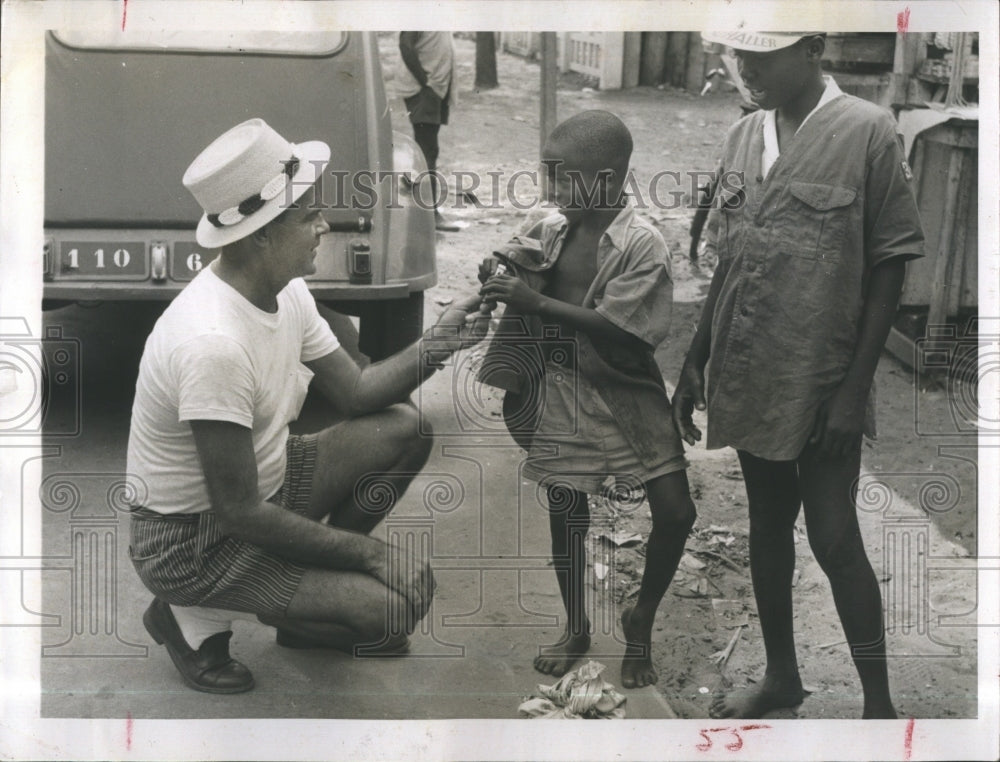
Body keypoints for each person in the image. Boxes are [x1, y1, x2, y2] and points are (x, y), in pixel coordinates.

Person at [126, 118, 488, 693]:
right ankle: (186, 613)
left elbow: (357, 393)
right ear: (261, 235)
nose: (325, 224)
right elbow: (238, 513)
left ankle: (300, 604)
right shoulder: (212, 344)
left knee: (405, 428)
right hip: (192, 545)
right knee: (390, 615)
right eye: (308, 215)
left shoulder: (282, 287)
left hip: (265, 490)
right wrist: (368, 556)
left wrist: (440, 343)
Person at [673, 32, 924, 719]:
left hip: (820, 374)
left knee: (835, 534)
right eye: (739, 56)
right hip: (749, 361)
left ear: (813, 48)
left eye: (763, 55)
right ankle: (783, 677)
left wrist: (851, 392)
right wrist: (697, 357)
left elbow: (889, 267)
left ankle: (879, 707)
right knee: (766, 522)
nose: (746, 70)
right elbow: (729, 255)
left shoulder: (869, 133)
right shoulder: (744, 135)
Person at [478, 110, 697, 689]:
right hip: (565, 389)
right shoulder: (552, 227)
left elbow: (623, 330)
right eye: (546, 174)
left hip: (627, 386)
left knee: (677, 510)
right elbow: (518, 258)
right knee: (566, 511)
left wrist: (532, 302)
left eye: (559, 176)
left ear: (603, 181)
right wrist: (499, 270)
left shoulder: (641, 244)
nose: (548, 189)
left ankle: (640, 617)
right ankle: (576, 626)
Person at [398, 31, 461, 232]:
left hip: (435, 87)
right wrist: (425, 81)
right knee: (427, 151)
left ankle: (423, 212)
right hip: (424, 89)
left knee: (428, 151)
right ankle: (428, 215)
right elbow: (405, 44)